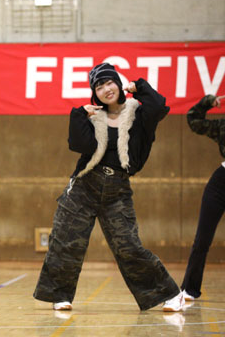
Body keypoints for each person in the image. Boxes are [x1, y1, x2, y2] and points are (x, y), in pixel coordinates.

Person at [33, 62, 185, 312]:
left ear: (118, 83)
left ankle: (170, 294)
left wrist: (140, 87)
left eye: (109, 82)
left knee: (128, 247)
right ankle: (60, 295)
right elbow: (79, 144)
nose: (106, 89)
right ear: (95, 93)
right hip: (84, 186)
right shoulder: (94, 116)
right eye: (99, 87)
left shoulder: (139, 113)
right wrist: (80, 114)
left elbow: (159, 106)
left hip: (117, 191)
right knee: (65, 240)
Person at [180, 94, 225, 301]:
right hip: (220, 183)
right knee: (202, 240)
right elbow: (193, 120)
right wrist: (208, 102)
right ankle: (189, 289)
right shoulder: (222, 126)